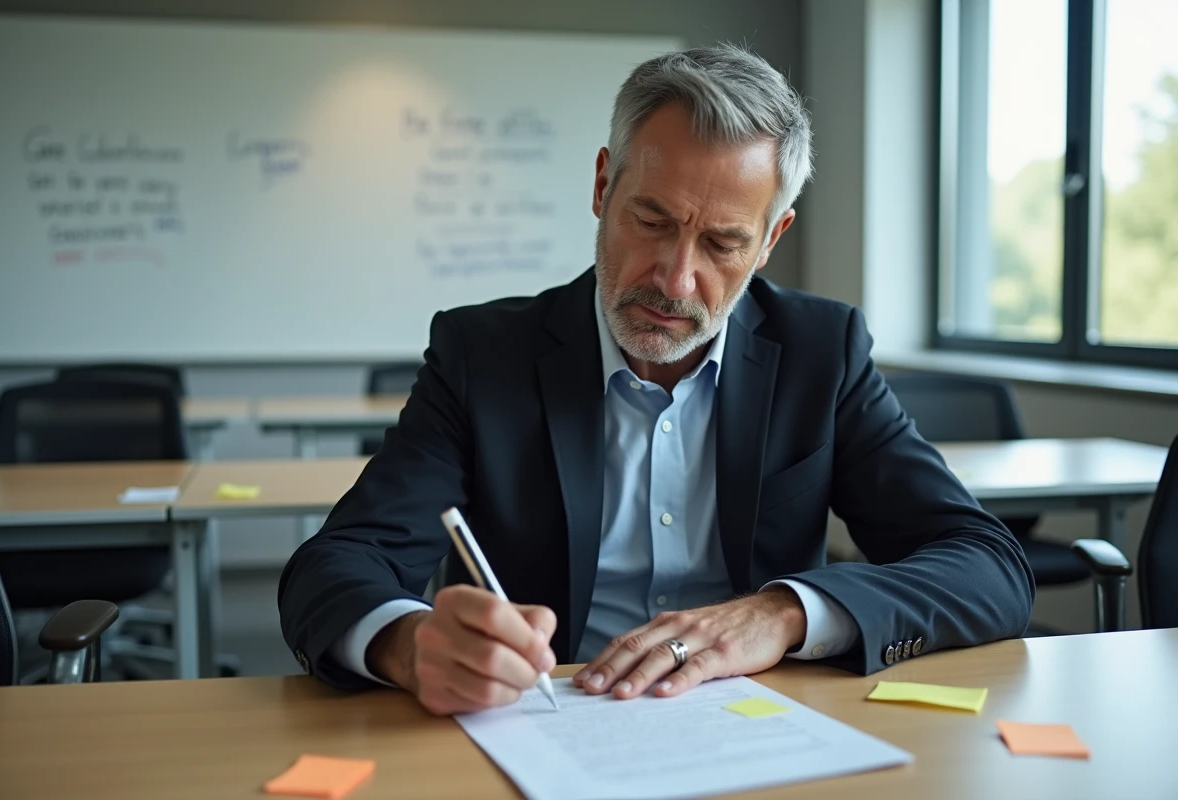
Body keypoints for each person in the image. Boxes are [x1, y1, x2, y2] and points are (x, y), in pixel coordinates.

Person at [278, 44, 1034, 715]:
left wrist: (783, 614)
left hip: (763, 724)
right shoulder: (484, 354)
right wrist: (407, 644)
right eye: (651, 221)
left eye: (723, 244)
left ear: (770, 239)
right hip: (547, 718)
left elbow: (986, 565)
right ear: (603, 186)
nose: (676, 280)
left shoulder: (820, 352)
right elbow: (335, 565)